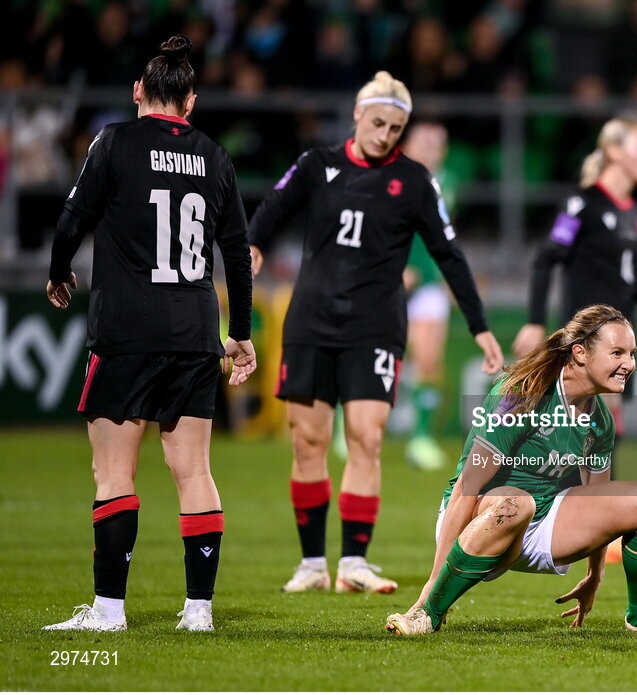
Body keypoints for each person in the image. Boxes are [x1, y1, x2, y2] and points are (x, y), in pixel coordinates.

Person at [247, 71, 503, 595]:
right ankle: (312, 563)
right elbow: (269, 212)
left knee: (367, 437)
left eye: (395, 127)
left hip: (375, 326)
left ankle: (354, 563)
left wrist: (479, 326)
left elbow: (449, 254)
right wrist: (252, 246)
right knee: (308, 440)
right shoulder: (316, 165)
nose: (385, 134)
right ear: (358, 115)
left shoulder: (415, 181)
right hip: (311, 321)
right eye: (378, 122)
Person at [42, 36, 256, 633]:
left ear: (138, 90)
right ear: (191, 101)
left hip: (126, 330)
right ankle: (199, 611)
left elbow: (71, 220)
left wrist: (58, 272)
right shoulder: (215, 157)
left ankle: (108, 611)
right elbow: (237, 255)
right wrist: (240, 332)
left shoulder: (113, 142)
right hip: (194, 332)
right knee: (195, 471)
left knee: (114, 474)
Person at [385, 304, 637, 636]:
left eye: (632, 354)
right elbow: (465, 490)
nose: (628, 364)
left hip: (543, 520)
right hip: (477, 520)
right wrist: (432, 585)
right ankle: (429, 613)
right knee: (517, 503)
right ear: (580, 353)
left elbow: (597, 501)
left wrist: (594, 577)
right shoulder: (521, 395)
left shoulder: (599, 420)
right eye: (617, 353)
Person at [513, 117, 637, 441]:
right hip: (589, 336)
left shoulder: (636, 213)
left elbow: (636, 268)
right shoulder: (581, 204)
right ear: (614, 151)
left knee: (603, 432)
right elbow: (545, 259)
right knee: (590, 431)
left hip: (621, 334)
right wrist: (535, 322)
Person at [400, 120, 457, 471]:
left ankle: (420, 438)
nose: (433, 148)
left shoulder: (447, 181)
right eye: (425, 141)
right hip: (391, 280)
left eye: (439, 142)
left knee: (428, 362)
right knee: (373, 356)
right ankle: (348, 423)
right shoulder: (391, 178)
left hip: (429, 284)